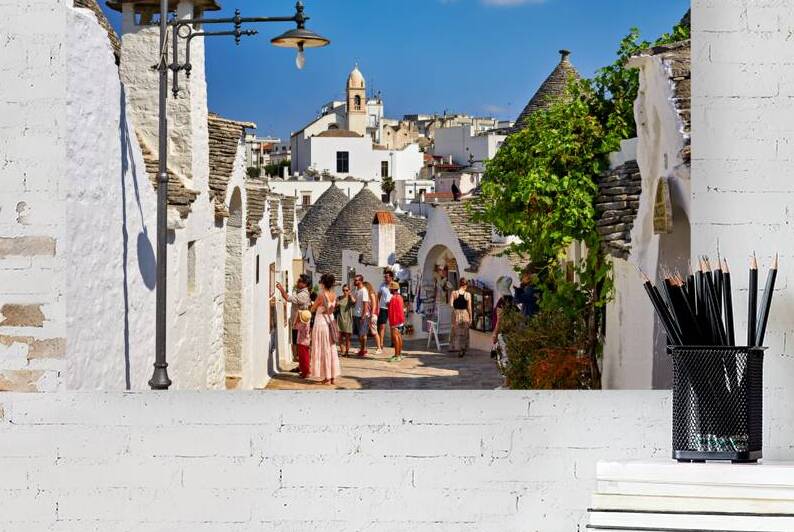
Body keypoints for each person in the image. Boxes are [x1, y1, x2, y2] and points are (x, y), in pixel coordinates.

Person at [309, 273, 341, 385]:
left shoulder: (321, 295)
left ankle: (327, 377)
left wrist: (313, 305)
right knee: (331, 349)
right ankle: (332, 377)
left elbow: (313, 309)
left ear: (323, 283)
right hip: (330, 322)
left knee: (323, 349)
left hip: (321, 323)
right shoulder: (334, 295)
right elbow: (332, 309)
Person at [275, 274, 312, 367]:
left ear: (305, 284)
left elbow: (287, 298)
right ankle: (301, 366)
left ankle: (303, 366)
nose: (297, 282)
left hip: (300, 323)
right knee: (297, 345)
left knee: (300, 346)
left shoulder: (303, 295)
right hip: (297, 323)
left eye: (300, 281)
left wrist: (281, 289)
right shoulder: (299, 291)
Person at [449, 278, 473, 357]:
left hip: (456, 313)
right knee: (465, 332)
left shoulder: (454, 293)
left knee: (456, 331)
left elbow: (451, 304)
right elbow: (469, 307)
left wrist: (455, 311)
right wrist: (471, 317)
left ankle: (456, 348)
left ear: (459, 284)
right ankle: (463, 348)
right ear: (465, 286)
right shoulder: (468, 294)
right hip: (465, 313)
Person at [376, 270, 395, 355]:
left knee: (392, 326)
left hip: (392, 308)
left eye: (387, 277)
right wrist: (377, 307)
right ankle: (381, 343)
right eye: (385, 277)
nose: (385, 278)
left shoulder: (394, 285)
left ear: (391, 277)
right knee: (382, 326)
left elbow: (397, 296)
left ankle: (393, 341)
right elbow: (378, 296)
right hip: (383, 307)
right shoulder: (382, 285)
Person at [352, 275, 371, 356]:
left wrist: (363, 316)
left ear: (361, 281)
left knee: (363, 334)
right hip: (356, 314)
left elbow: (365, 304)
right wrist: (350, 294)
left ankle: (363, 350)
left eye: (356, 280)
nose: (354, 281)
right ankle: (362, 349)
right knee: (360, 334)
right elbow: (355, 302)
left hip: (362, 315)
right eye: (354, 280)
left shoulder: (364, 291)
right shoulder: (357, 290)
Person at [387, 281, 405, 362]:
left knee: (396, 337)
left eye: (390, 289)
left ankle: (397, 355)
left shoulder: (394, 298)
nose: (389, 290)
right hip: (400, 319)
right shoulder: (399, 297)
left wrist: (392, 322)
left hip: (395, 320)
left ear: (393, 289)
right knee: (399, 336)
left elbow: (393, 311)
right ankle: (399, 354)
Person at [336, 284, 355, 356]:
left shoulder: (350, 298)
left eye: (346, 290)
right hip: (340, 319)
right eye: (343, 290)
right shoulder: (339, 298)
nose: (345, 292)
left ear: (349, 291)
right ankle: (342, 351)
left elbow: (354, 302)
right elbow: (335, 305)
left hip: (348, 319)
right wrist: (336, 304)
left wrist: (350, 295)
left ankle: (347, 352)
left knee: (347, 338)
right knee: (340, 337)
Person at [363, 281, 380, 353]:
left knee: (374, 332)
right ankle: (364, 348)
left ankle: (379, 348)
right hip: (368, 315)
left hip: (372, 315)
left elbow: (374, 305)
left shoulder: (372, 294)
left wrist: (371, 315)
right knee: (364, 332)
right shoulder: (367, 294)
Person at [295, 309, 312, 378]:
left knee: (303, 359)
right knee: (306, 358)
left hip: (302, 343)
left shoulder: (302, 325)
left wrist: (297, 317)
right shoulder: (308, 322)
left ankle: (306, 373)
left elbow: (295, 326)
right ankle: (305, 371)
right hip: (306, 342)